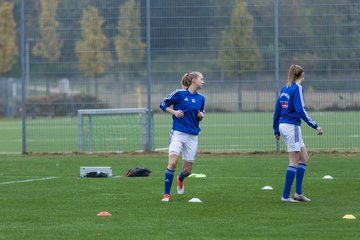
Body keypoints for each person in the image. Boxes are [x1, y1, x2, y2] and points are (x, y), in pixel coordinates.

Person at [273, 64, 323, 203]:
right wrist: (315, 126)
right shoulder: (297, 88)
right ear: (302, 75)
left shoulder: (285, 88)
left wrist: (276, 129)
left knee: (304, 157)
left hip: (284, 125)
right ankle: (285, 196)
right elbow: (301, 110)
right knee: (294, 161)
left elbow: (277, 109)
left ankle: (298, 194)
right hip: (291, 126)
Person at [159, 71, 206, 202]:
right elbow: (162, 104)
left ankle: (180, 179)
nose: (203, 81)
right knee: (172, 162)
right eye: (201, 79)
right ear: (194, 80)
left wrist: (201, 116)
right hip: (178, 133)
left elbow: (201, 113)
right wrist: (174, 112)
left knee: (187, 171)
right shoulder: (179, 94)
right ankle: (166, 195)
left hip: (192, 136)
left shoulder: (201, 98)